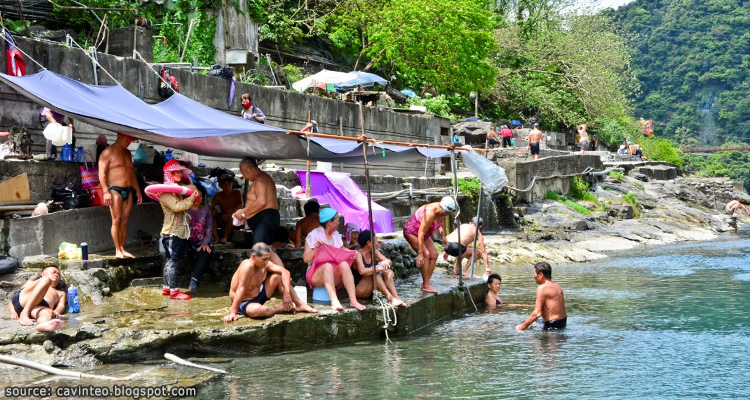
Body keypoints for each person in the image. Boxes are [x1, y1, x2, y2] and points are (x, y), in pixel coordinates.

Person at [223, 243, 317, 321]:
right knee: (257, 311)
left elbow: (285, 272)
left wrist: (286, 293)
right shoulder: (247, 266)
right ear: (253, 256)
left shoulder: (265, 263)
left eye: (268, 258)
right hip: (244, 301)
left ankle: (300, 304)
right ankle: (276, 309)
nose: (267, 262)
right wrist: (233, 313)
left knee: (278, 276)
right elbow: (241, 288)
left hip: (260, 295)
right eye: (264, 259)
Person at [303, 208, 367, 311]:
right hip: (315, 273)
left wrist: (350, 255)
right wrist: (316, 250)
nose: (338, 223)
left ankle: (353, 301)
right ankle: (334, 300)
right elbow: (306, 259)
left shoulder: (336, 235)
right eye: (337, 220)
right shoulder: (313, 235)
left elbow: (341, 252)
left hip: (333, 272)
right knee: (327, 266)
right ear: (329, 222)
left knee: (344, 265)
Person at [159, 160, 200, 300]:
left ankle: (167, 288)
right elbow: (177, 207)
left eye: (180, 171)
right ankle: (174, 292)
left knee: (170, 260)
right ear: (169, 173)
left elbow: (194, 188)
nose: (179, 173)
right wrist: (191, 198)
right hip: (172, 232)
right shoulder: (166, 194)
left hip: (177, 232)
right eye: (175, 171)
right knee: (173, 261)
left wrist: (187, 182)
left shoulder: (177, 191)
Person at [98, 133, 142, 259]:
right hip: (114, 189)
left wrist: (138, 190)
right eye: (127, 140)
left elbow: (131, 173)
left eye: (130, 141)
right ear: (119, 136)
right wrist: (105, 191)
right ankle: (117, 250)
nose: (128, 143)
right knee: (116, 220)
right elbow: (102, 173)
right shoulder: (108, 152)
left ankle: (122, 248)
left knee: (125, 220)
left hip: (128, 189)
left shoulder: (127, 153)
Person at [403, 196, 457, 294]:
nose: (446, 215)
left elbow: (441, 221)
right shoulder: (430, 214)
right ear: (442, 208)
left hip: (425, 234)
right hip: (412, 232)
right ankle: (426, 285)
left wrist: (443, 235)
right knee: (426, 254)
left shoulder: (442, 211)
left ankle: (426, 283)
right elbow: (420, 233)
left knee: (434, 254)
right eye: (446, 213)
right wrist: (420, 254)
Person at [232, 157, 280, 246]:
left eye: (243, 173)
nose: (244, 177)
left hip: (265, 219)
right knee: (265, 250)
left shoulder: (261, 179)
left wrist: (243, 212)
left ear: (249, 168)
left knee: (259, 250)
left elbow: (261, 202)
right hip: (265, 219)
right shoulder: (261, 178)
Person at [354, 230, 406, 307]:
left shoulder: (373, 251)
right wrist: (379, 268)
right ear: (368, 243)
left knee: (385, 271)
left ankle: (396, 297)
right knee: (376, 271)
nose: (377, 242)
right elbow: (362, 271)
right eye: (375, 240)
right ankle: (390, 297)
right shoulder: (358, 254)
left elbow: (388, 261)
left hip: (371, 289)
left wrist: (386, 263)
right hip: (360, 290)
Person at [7, 266, 65, 332]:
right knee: (46, 280)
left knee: (47, 312)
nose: (56, 275)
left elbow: (61, 305)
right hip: (25, 300)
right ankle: (24, 313)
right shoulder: (32, 282)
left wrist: (56, 311)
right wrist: (12, 311)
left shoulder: (60, 293)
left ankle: (43, 325)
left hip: (39, 307)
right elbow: (13, 299)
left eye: (58, 274)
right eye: (54, 272)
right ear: (43, 273)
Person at [515, 262, 567, 331]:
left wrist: (522, 327)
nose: (534, 276)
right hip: (562, 323)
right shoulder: (557, 286)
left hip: (551, 327)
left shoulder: (542, 288)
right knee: (534, 322)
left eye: (535, 273)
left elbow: (537, 313)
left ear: (541, 275)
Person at [187, 183, 213, 291]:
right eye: (197, 196)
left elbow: (208, 228)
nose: (199, 199)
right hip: (188, 240)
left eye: (201, 197)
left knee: (204, 252)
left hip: (202, 240)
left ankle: (194, 278)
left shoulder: (206, 210)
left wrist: (205, 242)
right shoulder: (186, 209)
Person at [211, 174, 243, 244]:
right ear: (220, 185)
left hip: (234, 216)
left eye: (229, 183)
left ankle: (225, 237)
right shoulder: (218, 195)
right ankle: (216, 237)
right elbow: (212, 207)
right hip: (223, 217)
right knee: (212, 214)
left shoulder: (237, 193)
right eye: (224, 183)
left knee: (232, 215)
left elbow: (240, 205)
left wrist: (230, 212)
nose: (227, 185)